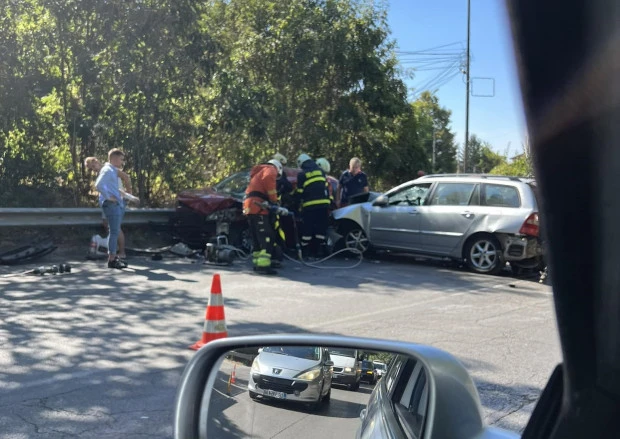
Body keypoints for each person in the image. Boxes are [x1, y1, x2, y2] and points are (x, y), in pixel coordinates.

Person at [85, 156, 138, 262]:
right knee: (108, 225)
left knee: (115, 228)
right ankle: (113, 249)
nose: (93, 169)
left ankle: (120, 252)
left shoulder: (108, 169)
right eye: (91, 168)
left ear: (96, 161)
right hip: (108, 203)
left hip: (116, 202)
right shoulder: (101, 173)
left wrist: (129, 195)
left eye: (93, 166)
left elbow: (125, 178)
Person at [243, 159, 286, 274]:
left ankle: (258, 264)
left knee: (257, 238)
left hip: (250, 206)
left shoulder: (258, 173)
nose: (276, 178)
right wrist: (274, 200)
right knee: (267, 236)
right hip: (258, 207)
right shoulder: (270, 169)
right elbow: (269, 181)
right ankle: (264, 266)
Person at [94, 149, 128, 269]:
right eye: (121, 159)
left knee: (114, 231)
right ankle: (112, 259)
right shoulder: (108, 170)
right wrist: (108, 197)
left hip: (113, 203)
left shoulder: (111, 170)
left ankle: (113, 257)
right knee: (114, 232)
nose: (122, 162)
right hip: (111, 204)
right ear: (114, 158)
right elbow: (98, 185)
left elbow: (111, 187)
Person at [295, 153, 331, 258]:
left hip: (310, 206)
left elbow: (300, 193)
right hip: (324, 205)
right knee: (321, 228)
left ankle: (305, 251)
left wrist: (294, 200)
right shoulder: (321, 171)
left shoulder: (302, 174)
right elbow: (325, 188)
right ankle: (319, 250)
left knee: (307, 228)